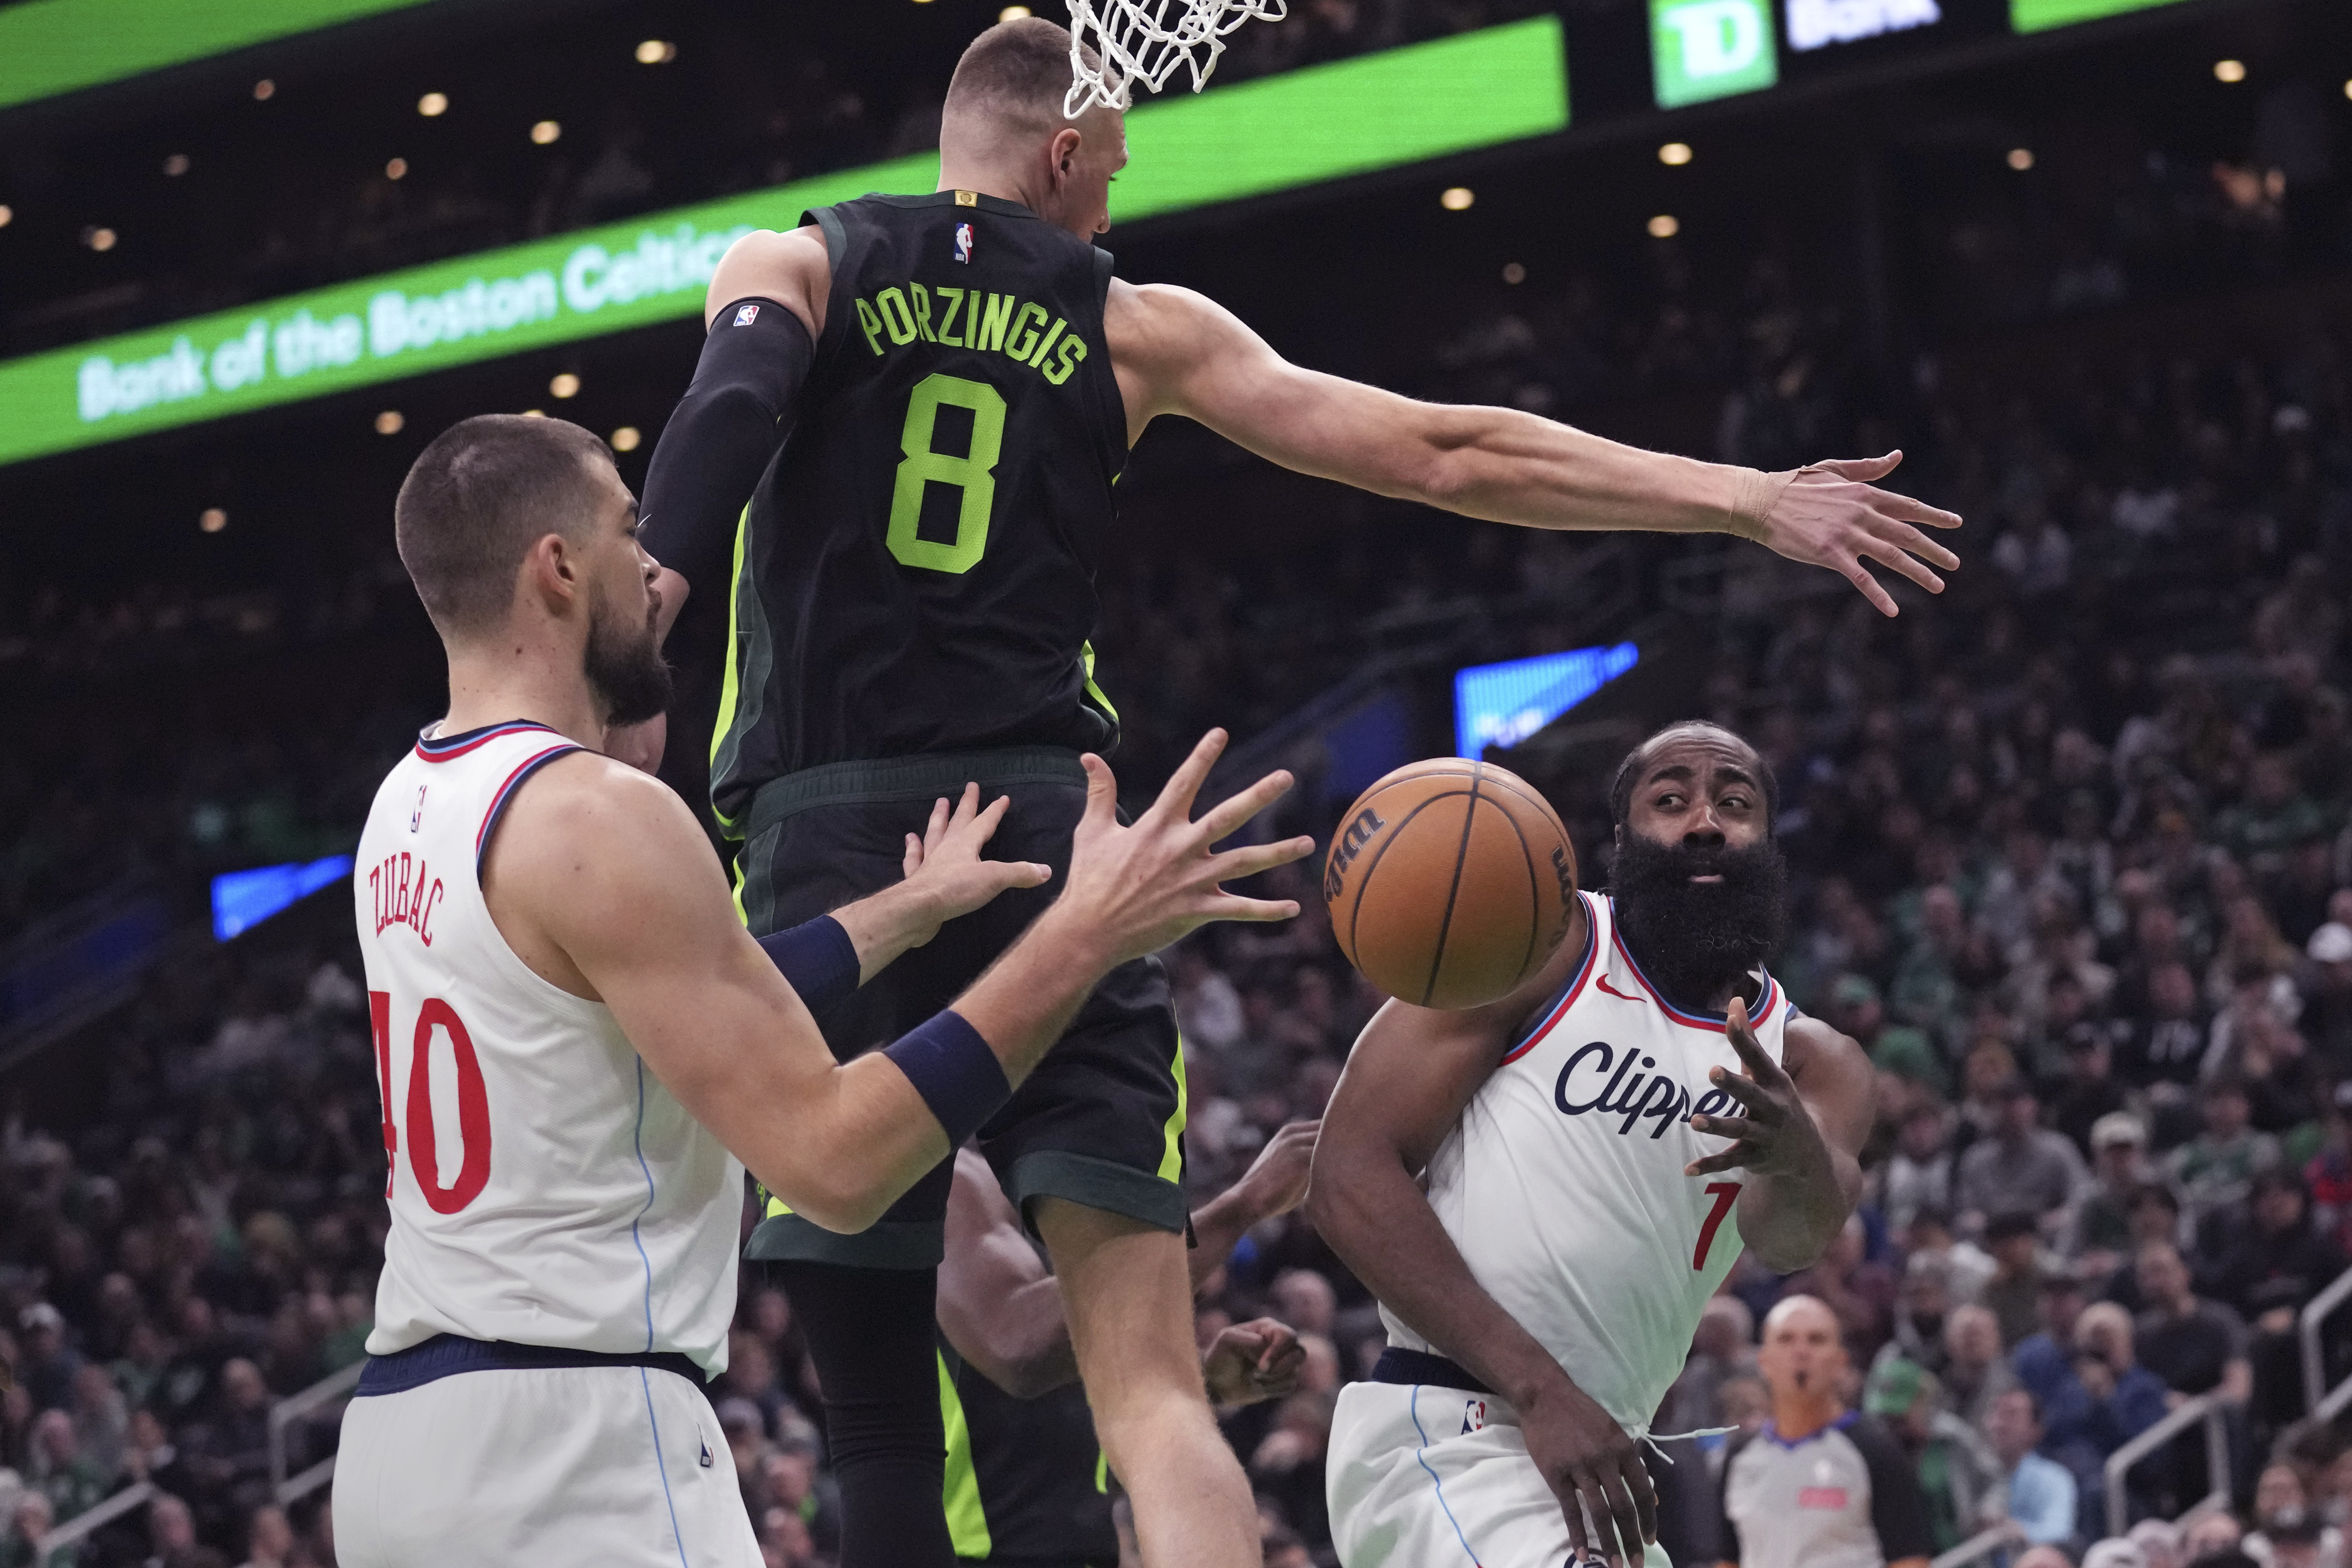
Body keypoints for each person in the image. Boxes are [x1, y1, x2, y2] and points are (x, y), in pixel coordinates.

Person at [631, 18, 1962, 1567]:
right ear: (1065, 156)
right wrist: (1743, 498)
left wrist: (651, 599)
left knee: (873, 1408)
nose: (1111, 214)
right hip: (1070, 855)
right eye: (1110, 174)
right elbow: (1445, 452)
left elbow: (727, 413)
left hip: (831, 842)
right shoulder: (1134, 324)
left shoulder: (796, 259)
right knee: (1156, 1401)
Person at [328, 414, 1311, 1566]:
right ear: (556, 567)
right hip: (576, 1448)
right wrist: (1084, 935)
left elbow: (680, 997)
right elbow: (834, 1165)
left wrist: (907, 909)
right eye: (627, 531)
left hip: (403, 1450)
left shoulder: (407, 806)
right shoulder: (601, 810)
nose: (654, 570)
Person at [1310, 722, 1879, 1567]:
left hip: (1596, 1470)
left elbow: (1789, 1239)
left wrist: (1793, 1152)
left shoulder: (1812, 1060)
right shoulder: (1539, 943)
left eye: (1735, 802)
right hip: (1450, 1430)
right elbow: (1346, 1175)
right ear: (1622, 839)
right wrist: (1542, 1392)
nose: (1704, 821)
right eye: (1670, 800)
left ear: (1768, 840)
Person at [932, 1122, 1321, 1565]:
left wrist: (1199, 1380)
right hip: (973, 1550)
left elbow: (1065, 1373)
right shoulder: (953, 1178)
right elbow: (1016, 1342)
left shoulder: (1044, 1183)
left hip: (1075, 1545)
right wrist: (1243, 1204)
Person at [1715, 1296, 1934, 1568]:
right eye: (1786, 1339)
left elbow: (1910, 1560)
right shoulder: (1739, 1458)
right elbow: (1728, 1561)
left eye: (1816, 1340)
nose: (1801, 1352)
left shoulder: (1877, 1452)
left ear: (1840, 1362)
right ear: (1765, 1361)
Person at [1864, 1357, 1998, 1557]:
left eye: (1899, 1418)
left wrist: (1990, 1510)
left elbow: (1995, 1479)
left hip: (1961, 1555)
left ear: (1922, 1401)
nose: (1891, 1427)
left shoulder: (1953, 1438)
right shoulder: (1870, 1450)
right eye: (1884, 1418)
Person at [1985, 1387, 2079, 1550]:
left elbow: (2060, 1532)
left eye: (2012, 1415)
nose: (1999, 1424)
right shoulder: (1971, 1474)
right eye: (1996, 1413)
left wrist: (2019, 1531)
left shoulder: (2054, 1478)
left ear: (2036, 1430)